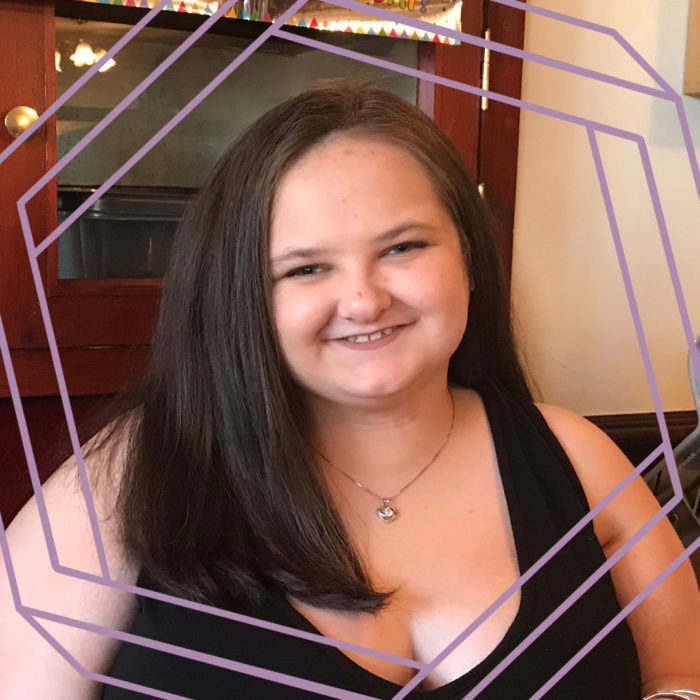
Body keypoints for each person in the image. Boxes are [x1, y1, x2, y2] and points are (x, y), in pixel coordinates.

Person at [1, 79, 699, 700]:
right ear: (240, 296)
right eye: (306, 269)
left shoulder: (576, 457)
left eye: (403, 248)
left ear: (470, 256)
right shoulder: (122, 484)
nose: (364, 300)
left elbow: (679, 675)